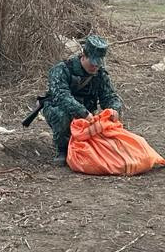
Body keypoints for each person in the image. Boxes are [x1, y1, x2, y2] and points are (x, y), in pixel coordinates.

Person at [41, 35, 123, 166]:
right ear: (83, 56)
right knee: (62, 116)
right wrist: (83, 113)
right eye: (92, 63)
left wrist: (114, 109)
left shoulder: (100, 75)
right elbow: (61, 96)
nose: (95, 67)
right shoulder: (62, 69)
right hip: (59, 109)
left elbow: (109, 96)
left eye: (98, 64)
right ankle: (62, 149)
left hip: (87, 114)